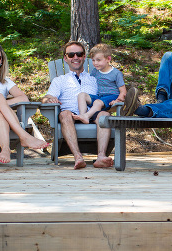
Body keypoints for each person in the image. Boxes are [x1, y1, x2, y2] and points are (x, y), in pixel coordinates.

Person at [42, 41, 118, 170]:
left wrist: (115, 101)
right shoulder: (60, 80)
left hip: (92, 114)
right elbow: (45, 98)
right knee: (64, 114)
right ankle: (78, 157)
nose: (75, 57)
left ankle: (101, 157)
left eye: (79, 54)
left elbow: (108, 95)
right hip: (70, 115)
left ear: (84, 57)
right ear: (65, 58)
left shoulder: (95, 79)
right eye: (71, 55)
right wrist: (48, 99)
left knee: (104, 115)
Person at [74, 43, 127, 124]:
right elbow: (89, 83)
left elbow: (123, 91)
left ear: (108, 59)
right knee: (82, 95)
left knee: (98, 102)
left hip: (112, 97)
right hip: (100, 97)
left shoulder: (116, 73)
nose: (95, 63)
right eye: (93, 60)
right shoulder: (95, 71)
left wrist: (117, 100)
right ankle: (83, 116)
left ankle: (86, 116)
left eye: (98, 60)